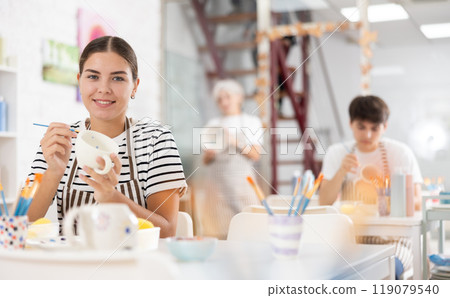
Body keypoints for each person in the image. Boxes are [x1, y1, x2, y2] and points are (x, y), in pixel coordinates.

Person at [27, 36, 187, 238]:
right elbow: (21, 225)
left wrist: (112, 197)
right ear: (79, 82)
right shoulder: (58, 142)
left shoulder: (157, 140)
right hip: (71, 266)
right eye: (93, 77)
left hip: (135, 267)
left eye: (118, 78)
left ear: (135, 86)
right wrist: (53, 171)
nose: (103, 88)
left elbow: (167, 231)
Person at [319, 94, 423, 279]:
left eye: (374, 129)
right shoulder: (337, 153)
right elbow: (324, 201)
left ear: (385, 127)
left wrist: (388, 201)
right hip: (352, 237)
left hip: (394, 238)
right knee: (335, 276)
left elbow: (416, 202)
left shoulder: (400, 153)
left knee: (383, 272)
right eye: (361, 127)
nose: (367, 135)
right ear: (350, 124)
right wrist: (342, 171)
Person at [200, 79, 263, 240]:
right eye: (220, 99)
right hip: (217, 191)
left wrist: (235, 142)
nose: (224, 102)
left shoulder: (251, 122)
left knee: (249, 234)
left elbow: (255, 154)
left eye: (227, 97)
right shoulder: (213, 124)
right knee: (218, 236)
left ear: (239, 97)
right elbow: (205, 162)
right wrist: (209, 154)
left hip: (243, 189)